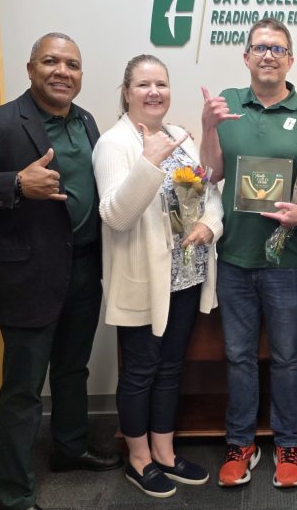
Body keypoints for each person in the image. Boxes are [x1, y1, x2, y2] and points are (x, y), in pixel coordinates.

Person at [0, 32, 121, 510]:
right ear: (31, 68)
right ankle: (14, 494)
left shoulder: (87, 122)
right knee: (22, 391)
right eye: (51, 61)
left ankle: (70, 448)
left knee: (73, 370)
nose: (63, 71)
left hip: (83, 270)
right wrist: (16, 182)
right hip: (28, 277)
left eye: (72, 64)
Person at [199, 18, 297, 489]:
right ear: (245, 57)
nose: (268, 55)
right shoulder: (227, 103)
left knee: (286, 357)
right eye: (259, 47)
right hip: (234, 256)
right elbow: (211, 173)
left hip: (288, 261)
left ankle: (288, 444)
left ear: (291, 59)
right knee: (237, 356)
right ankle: (240, 443)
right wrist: (207, 126)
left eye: (278, 48)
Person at [92, 55, 223, 498]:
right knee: (140, 372)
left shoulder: (179, 136)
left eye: (161, 84)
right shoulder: (114, 144)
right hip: (144, 284)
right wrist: (147, 164)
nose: (154, 92)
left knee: (170, 369)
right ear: (126, 92)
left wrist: (211, 225)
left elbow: (210, 192)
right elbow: (115, 216)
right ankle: (139, 458)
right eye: (144, 84)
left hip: (185, 279)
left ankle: (164, 453)